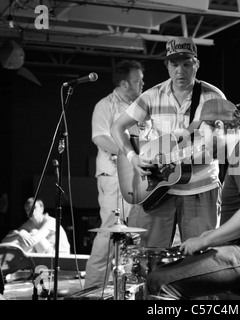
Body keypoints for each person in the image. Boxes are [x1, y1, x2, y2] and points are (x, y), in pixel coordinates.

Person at [145, 98, 240, 299]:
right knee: (175, 274)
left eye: (203, 134)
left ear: (218, 126)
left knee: (159, 282)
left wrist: (205, 240)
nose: (202, 143)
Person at [111, 36, 226, 249]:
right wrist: (132, 157)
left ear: (196, 65)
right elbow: (117, 127)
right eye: (174, 64)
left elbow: (220, 147)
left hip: (200, 189)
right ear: (167, 66)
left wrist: (218, 147)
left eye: (186, 64)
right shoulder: (152, 95)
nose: (180, 70)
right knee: (146, 257)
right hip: (156, 188)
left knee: (200, 260)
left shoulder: (213, 97)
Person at [85, 59, 147, 289]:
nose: (142, 84)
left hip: (139, 179)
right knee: (109, 233)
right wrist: (130, 154)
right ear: (124, 83)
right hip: (112, 177)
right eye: (137, 81)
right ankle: (92, 290)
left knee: (139, 232)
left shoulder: (141, 108)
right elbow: (100, 137)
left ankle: (131, 288)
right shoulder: (105, 105)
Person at [1, 197, 70, 254]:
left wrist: (21, 236)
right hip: (45, 254)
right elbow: (4, 241)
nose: (31, 211)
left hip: (61, 257)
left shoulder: (51, 221)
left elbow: (34, 239)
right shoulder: (29, 224)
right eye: (28, 209)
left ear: (42, 209)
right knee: (21, 236)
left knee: (32, 233)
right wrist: (18, 234)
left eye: (34, 208)